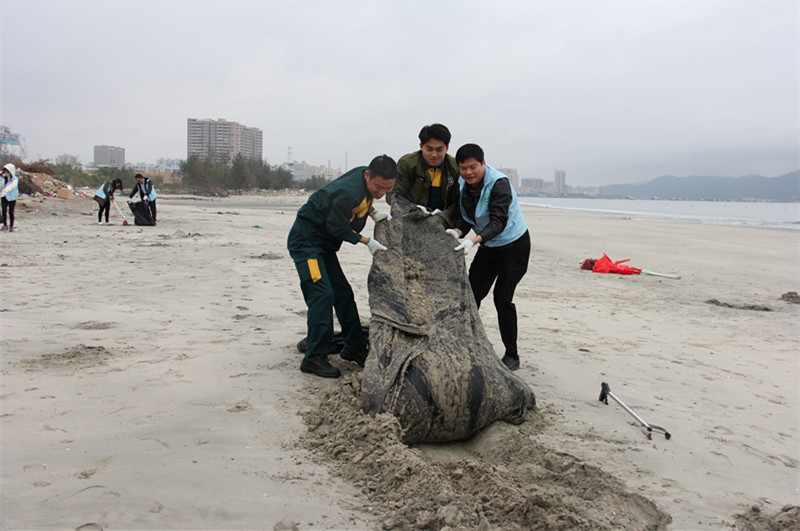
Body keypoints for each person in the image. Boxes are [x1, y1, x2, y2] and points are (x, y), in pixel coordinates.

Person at [287, 155, 397, 378]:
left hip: (324, 246)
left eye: (387, 189)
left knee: (342, 293)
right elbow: (336, 227)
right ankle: (314, 357)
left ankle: (354, 346)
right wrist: (366, 241)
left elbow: (363, 202)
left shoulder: (363, 177)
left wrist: (373, 212)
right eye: (378, 187)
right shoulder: (348, 192)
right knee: (322, 294)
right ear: (368, 175)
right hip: (307, 242)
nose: (381, 193)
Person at [447, 143, 530, 371]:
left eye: (473, 167)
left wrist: (473, 241)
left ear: (483, 163)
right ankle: (462, 341)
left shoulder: (499, 183)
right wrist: (458, 231)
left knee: (502, 298)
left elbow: (498, 222)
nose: (468, 173)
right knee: (470, 294)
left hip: (514, 246)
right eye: (463, 168)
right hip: (489, 246)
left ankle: (512, 355)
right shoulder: (462, 184)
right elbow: (466, 216)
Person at [390, 123, 461, 225]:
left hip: (442, 222)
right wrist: (413, 209)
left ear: (447, 148)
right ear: (421, 146)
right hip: (410, 220)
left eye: (439, 150)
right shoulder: (407, 164)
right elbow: (393, 194)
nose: (434, 155)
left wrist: (446, 214)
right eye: (429, 149)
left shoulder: (455, 167)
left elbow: (459, 201)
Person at [1, 163, 20, 232]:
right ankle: (5, 225)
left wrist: (6, 190)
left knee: (11, 212)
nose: (6, 173)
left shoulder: (15, 179)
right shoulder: (3, 178)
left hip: (12, 197)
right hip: (4, 196)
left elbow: (12, 186)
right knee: (4, 211)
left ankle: (11, 226)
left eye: (7, 171)